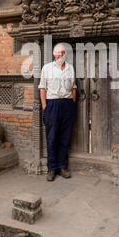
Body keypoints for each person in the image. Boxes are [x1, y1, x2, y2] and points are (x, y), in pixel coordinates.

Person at [38, 43, 77, 181]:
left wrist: (72, 102)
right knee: (52, 138)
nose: (61, 55)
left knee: (65, 137)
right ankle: (51, 168)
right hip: (52, 104)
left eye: (63, 52)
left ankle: (62, 167)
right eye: (58, 52)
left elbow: (73, 87)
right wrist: (45, 107)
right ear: (54, 54)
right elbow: (42, 88)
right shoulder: (47, 68)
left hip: (67, 104)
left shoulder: (70, 68)